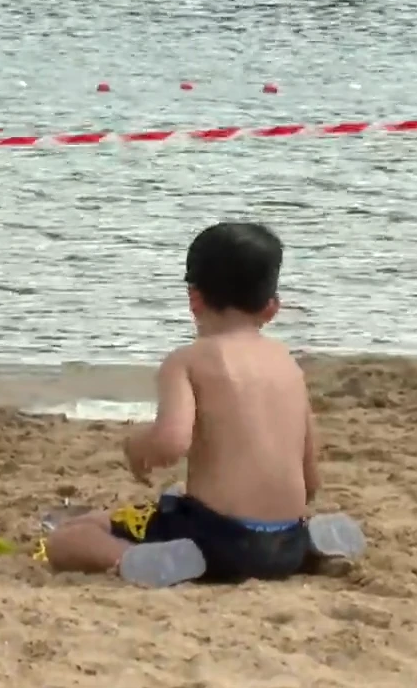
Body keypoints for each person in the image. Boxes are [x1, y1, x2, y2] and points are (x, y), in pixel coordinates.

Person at [44, 222, 319, 582]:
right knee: (178, 500)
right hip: (287, 542)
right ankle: (315, 543)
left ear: (194, 298)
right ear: (272, 307)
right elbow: (310, 477)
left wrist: (136, 446)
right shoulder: (288, 364)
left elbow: (172, 442)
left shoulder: (189, 361)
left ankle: (138, 559)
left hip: (218, 543)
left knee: (69, 538)